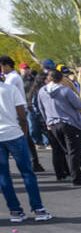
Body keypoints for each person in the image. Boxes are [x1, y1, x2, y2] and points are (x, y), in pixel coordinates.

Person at [0, 75, 50, 222]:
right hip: (14, 134)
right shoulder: (10, 89)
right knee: (27, 173)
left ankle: (15, 211)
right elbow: (22, 116)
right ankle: (38, 209)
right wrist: (23, 134)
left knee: (4, 176)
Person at [38, 69, 81, 186]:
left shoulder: (42, 91)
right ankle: (77, 178)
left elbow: (41, 108)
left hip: (53, 124)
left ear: (49, 78)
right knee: (73, 152)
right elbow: (78, 105)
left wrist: (47, 121)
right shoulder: (65, 90)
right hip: (69, 123)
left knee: (61, 151)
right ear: (61, 79)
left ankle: (64, 174)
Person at [1, 55, 45, 172]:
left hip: (17, 110)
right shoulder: (10, 76)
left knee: (23, 137)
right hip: (15, 109)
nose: (1, 70)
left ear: (6, 65)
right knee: (26, 138)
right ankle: (34, 162)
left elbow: (5, 89)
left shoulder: (13, 77)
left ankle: (32, 162)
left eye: (1, 67)